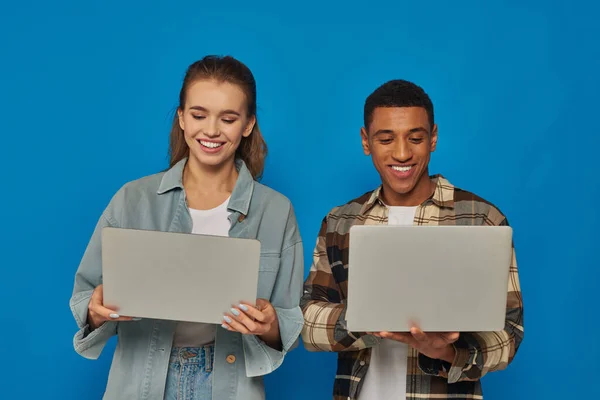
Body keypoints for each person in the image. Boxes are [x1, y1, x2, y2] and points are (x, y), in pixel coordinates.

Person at [69, 55, 305, 400]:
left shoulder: (276, 210)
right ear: (181, 118)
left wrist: (271, 327)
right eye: (198, 115)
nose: (211, 131)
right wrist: (95, 308)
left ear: (248, 124)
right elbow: (84, 294)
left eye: (228, 118)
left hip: (231, 382)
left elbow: (289, 319)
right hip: (140, 379)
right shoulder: (133, 199)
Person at [300, 79, 524, 399]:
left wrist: (446, 351)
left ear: (433, 138)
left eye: (415, 138)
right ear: (366, 141)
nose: (402, 153)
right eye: (386, 139)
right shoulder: (340, 222)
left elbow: (509, 333)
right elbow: (307, 324)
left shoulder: (482, 219)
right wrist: (368, 318)